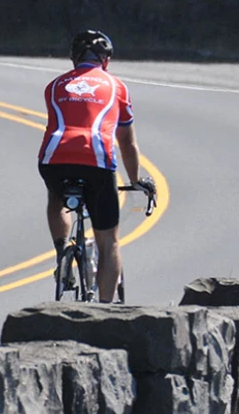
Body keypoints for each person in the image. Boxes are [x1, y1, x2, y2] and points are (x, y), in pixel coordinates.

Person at [37, 30, 155, 303]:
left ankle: (62, 252)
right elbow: (127, 142)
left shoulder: (54, 85)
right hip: (96, 162)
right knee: (109, 241)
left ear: (73, 58)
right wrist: (135, 179)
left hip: (53, 160)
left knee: (57, 197)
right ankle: (104, 309)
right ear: (106, 60)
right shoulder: (117, 87)